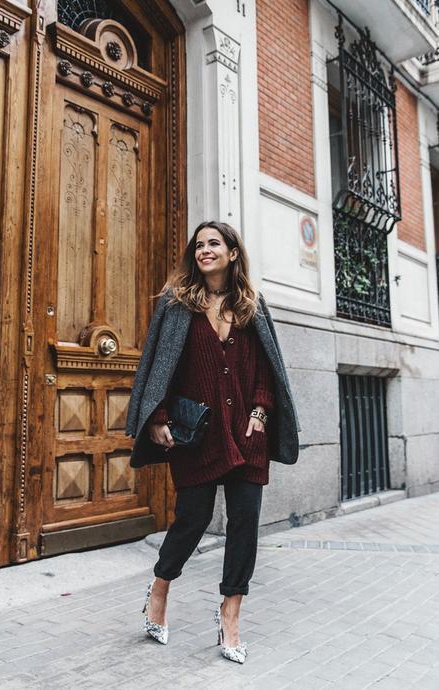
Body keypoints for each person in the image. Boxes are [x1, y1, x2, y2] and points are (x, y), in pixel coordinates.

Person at [125, 221, 300, 664]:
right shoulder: (176, 305)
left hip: (247, 433)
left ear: (233, 253)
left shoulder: (252, 307)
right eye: (199, 245)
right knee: (192, 519)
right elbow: (158, 367)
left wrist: (260, 414)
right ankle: (160, 587)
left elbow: (267, 372)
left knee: (244, 523)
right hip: (197, 434)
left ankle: (230, 614)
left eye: (213, 244)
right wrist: (157, 419)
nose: (204, 250)